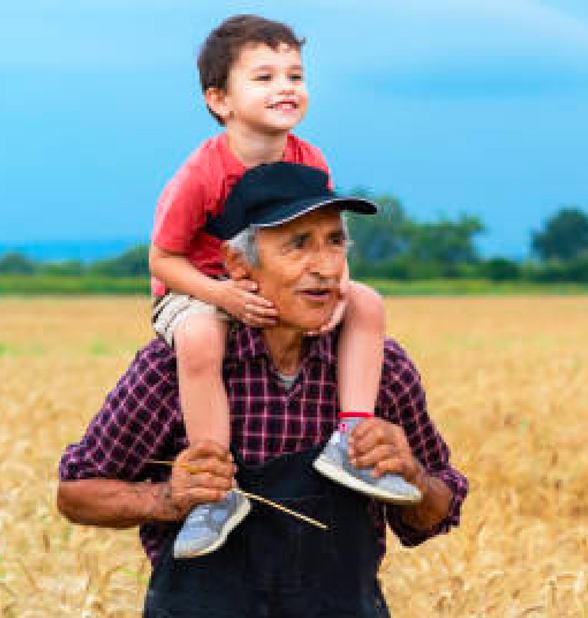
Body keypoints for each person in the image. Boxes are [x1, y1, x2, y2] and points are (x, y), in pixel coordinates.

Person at [57, 162, 468, 617]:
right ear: (239, 264)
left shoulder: (380, 368)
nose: (325, 267)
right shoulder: (173, 368)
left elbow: (437, 512)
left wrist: (413, 477)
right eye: (299, 244)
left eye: (335, 241)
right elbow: (76, 493)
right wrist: (166, 499)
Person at [147, 14, 417, 559]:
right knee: (200, 339)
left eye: (295, 75)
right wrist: (221, 296)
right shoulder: (201, 174)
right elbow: (163, 258)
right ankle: (213, 487)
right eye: (264, 77)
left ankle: (350, 435)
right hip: (199, 286)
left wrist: (337, 288)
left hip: (278, 283)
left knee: (367, 302)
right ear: (220, 100)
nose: (286, 87)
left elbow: (327, 239)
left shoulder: (309, 158)